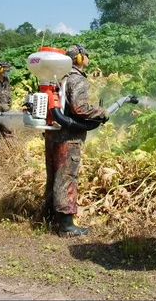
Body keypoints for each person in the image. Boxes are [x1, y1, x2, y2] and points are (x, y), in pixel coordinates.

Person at [43, 44, 108, 237]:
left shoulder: (58, 77)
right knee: (66, 178)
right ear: (79, 59)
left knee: (54, 176)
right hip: (69, 137)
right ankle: (67, 226)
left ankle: (49, 216)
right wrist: (101, 112)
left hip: (53, 134)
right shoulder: (76, 79)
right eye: (86, 56)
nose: (88, 59)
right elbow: (80, 108)